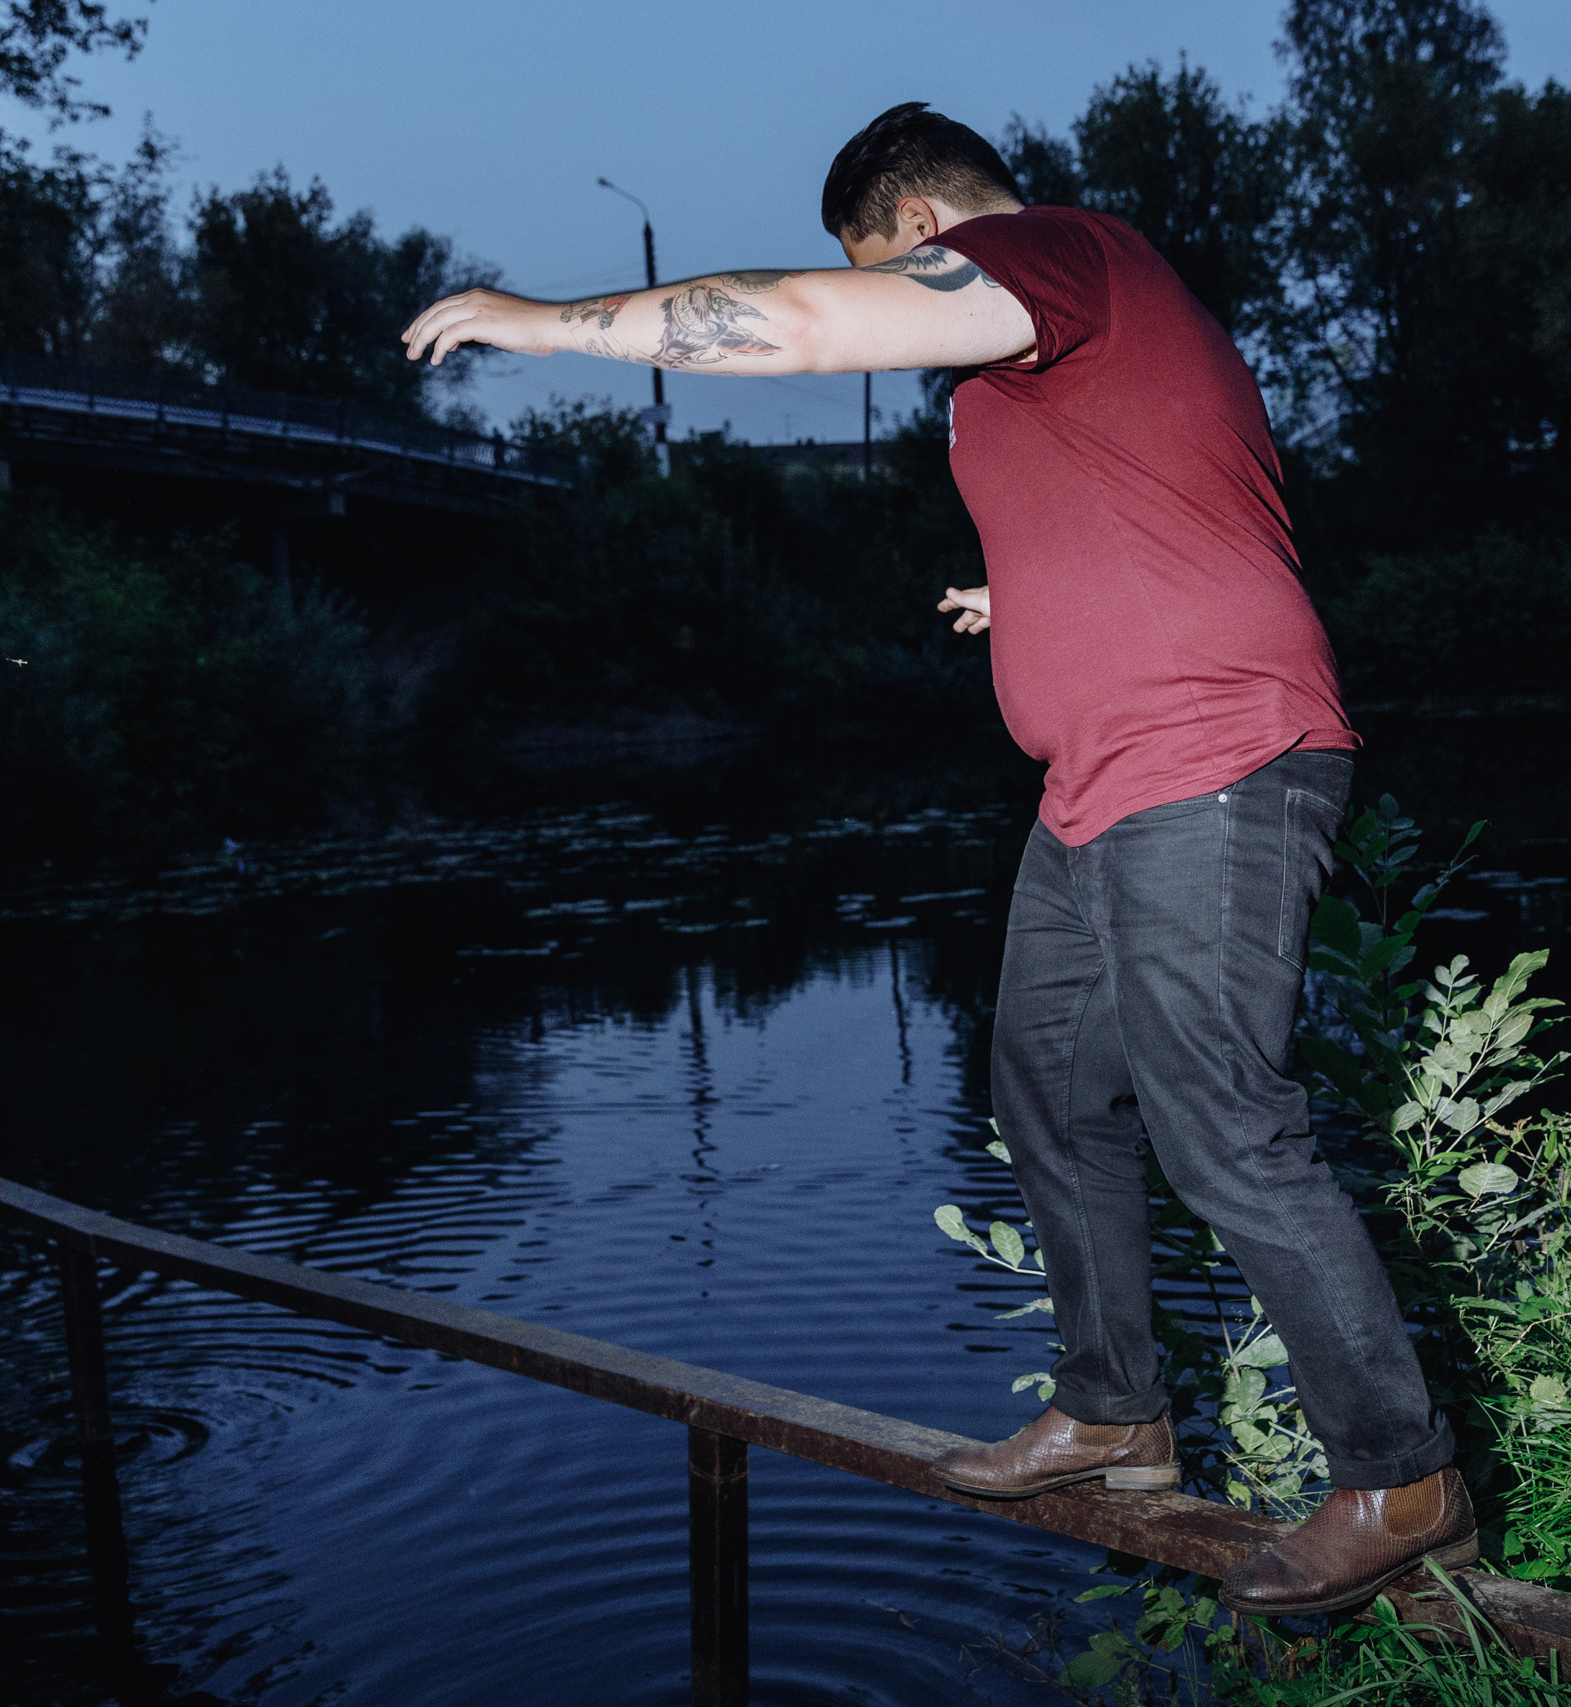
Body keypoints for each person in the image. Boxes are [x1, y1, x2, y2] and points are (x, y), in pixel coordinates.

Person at [399, 101, 1474, 1618]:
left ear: (917, 229)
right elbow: (1164, 505)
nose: (911, 331)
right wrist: (1021, 593)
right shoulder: (1058, 354)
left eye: (893, 279)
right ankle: (1116, 1412)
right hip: (1099, 787)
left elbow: (788, 323)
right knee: (1043, 1090)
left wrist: (550, 324)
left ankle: (1400, 1469)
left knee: (1221, 1119)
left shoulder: (1055, 256)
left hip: (1217, 758)